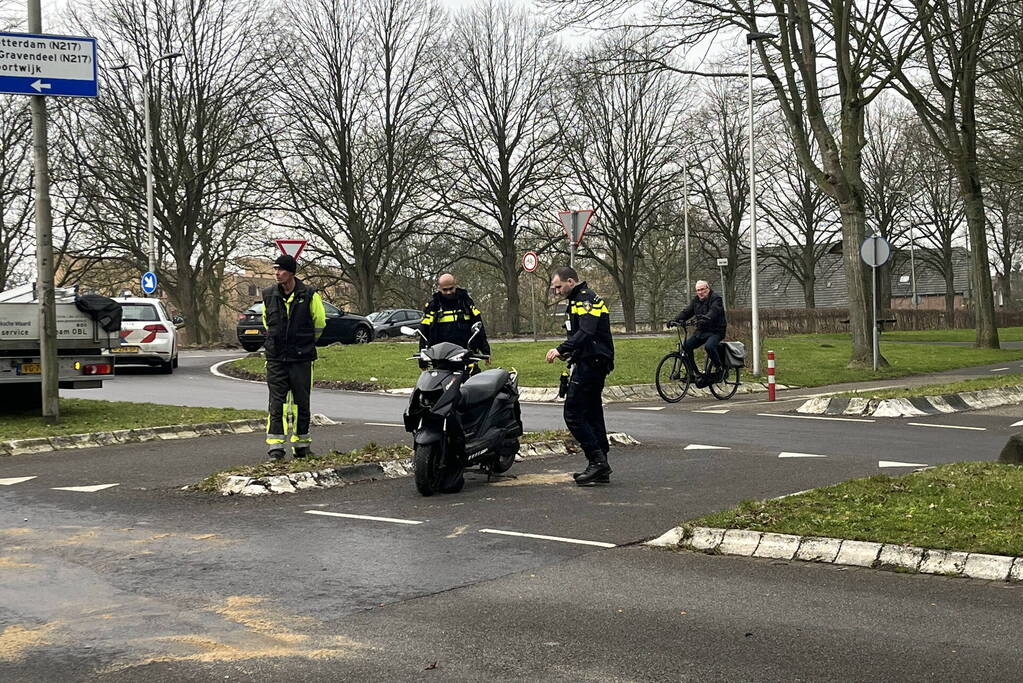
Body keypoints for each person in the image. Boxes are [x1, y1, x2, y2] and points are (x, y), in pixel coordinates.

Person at [545, 266, 615, 486]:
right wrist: (570, 353)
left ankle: (597, 461)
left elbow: (587, 331)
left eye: (558, 287)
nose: (556, 291)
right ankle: (600, 463)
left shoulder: (585, 299)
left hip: (593, 362)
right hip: (591, 359)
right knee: (592, 412)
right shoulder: (577, 300)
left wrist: (560, 348)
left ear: (571, 282)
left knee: (573, 413)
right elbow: (583, 336)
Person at [262, 254, 326, 461]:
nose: (277, 274)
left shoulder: (309, 295)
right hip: (276, 358)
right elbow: (267, 323)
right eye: (275, 270)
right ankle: (276, 447)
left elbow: (320, 323)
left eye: (281, 270)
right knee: (277, 403)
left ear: (291, 272)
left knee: (300, 403)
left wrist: (304, 343)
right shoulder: (268, 295)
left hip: (301, 358)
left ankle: (301, 445)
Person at [419, 273, 491, 370]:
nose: (448, 292)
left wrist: (486, 352)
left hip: (466, 355)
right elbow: (424, 332)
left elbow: (478, 327)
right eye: (445, 290)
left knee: (471, 383)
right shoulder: (433, 306)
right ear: (439, 288)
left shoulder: (466, 303)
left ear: (455, 286)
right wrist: (422, 359)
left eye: (451, 288)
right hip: (440, 357)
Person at [668, 279, 727, 384]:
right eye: (698, 290)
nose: (700, 292)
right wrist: (675, 320)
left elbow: (714, 311)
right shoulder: (696, 300)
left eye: (702, 289)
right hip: (702, 331)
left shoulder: (716, 299)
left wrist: (706, 318)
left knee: (709, 346)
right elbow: (687, 312)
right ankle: (694, 373)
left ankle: (719, 368)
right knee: (686, 346)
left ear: (708, 289)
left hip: (716, 331)